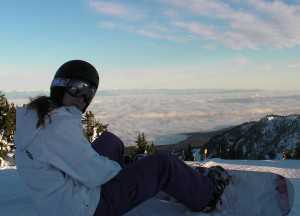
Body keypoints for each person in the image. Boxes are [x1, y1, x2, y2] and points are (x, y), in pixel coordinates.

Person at [15, 60, 230, 216]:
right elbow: (94, 175)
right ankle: (206, 194)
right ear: (60, 85)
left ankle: (133, 177)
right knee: (163, 165)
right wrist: (128, 172)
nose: (82, 98)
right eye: (77, 89)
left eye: (88, 93)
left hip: (61, 199)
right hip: (86, 207)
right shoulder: (56, 126)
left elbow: (75, 160)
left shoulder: (37, 117)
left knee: (110, 142)